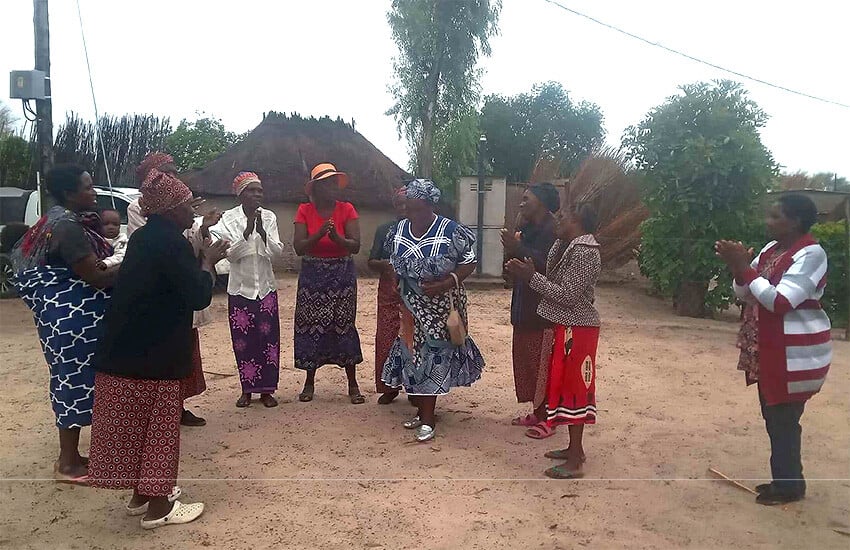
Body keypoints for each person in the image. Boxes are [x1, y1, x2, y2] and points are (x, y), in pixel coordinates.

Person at [88, 169, 228, 529]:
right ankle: (159, 507)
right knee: (159, 429)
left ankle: (141, 494)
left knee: (136, 427)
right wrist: (208, 261)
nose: (191, 213)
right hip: (156, 354)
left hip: (125, 351)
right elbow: (197, 294)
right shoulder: (171, 242)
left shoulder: (143, 238)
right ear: (170, 210)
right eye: (186, 206)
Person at [716, 194, 831, 506]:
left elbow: (780, 302)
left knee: (782, 417)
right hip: (768, 349)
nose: (767, 222)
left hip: (793, 353)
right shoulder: (771, 250)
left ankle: (789, 485)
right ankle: (785, 479)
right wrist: (739, 269)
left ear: (794, 221)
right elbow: (744, 293)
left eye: (775, 216)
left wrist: (746, 270)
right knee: (775, 416)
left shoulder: (811, 254)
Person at [11, 164, 118, 483]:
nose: (93, 191)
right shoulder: (67, 226)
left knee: (69, 379)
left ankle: (72, 457)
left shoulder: (52, 220)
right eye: (87, 187)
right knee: (73, 382)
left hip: (59, 318)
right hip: (72, 320)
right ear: (70, 193)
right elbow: (95, 277)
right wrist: (136, 266)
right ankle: (67, 463)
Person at [381, 179, 485, 442]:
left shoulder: (450, 230)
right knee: (412, 356)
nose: (410, 213)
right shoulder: (399, 230)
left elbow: (469, 262)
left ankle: (428, 418)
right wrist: (396, 282)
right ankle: (422, 410)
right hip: (409, 305)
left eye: (416, 208)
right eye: (407, 208)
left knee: (433, 355)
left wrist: (445, 283)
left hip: (441, 305)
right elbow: (394, 263)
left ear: (429, 205)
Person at [505, 203, 601, 479]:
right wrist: (557, 243)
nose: (557, 221)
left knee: (575, 391)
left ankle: (575, 460)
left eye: (563, 217)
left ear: (578, 221)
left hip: (579, 328)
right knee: (565, 387)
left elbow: (567, 295)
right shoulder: (572, 247)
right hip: (571, 326)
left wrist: (530, 277)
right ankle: (574, 449)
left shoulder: (584, 252)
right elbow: (556, 275)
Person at [129, 151, 219, 426]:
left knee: (182, 349)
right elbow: (155, 244)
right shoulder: (138, 208)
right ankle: (159, 413)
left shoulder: (183, 210)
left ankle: (176, 407)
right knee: (159, 353)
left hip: (182, 284)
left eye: (174, 172)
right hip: (161, 292)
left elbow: (191, 245)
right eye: (166, 172)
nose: (172, 176)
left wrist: (201, 227)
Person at [208, 172, 283, 408]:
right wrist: (247, 231)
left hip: (266, 289)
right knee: (244, 342)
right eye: (252, 190)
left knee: (269, 342)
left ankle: (267, 391)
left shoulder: (268, 217)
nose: (257, 194)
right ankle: (247, 389)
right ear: (240, 193)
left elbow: (277, 252)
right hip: (241, 290)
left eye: (260, 190)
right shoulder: (228, 219)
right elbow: (231, 255)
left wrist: (263, 234)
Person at [293, 163, 365, 404]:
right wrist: (320, 233)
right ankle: (309, 381)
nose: (334, 188)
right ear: (317, 188)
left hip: (342, 274)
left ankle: (353, 384)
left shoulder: (347, 209)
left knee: (344, 324)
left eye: (335, 183)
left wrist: (336, 238)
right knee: (310, 326)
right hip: (312, 275)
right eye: (328, 184)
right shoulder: (304, 210)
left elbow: (355, 245)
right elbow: (299, 247)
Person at [502, 183, 559, 427]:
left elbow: (551, 265)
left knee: (542, 364)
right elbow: (516, 265)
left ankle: (547, 415)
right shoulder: (528, 229)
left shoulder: (553, 231)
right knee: (527, 361)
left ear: (542, 203)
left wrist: (518, 248)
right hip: (524, 307)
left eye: (527, 199)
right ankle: (537, 412)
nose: (522, 203)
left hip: (542, 311)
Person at [368, 187, 408, 404]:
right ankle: (388, 386)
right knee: (386, 336)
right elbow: (371, 260)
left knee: (413, 339)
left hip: (413, 293)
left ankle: (415, 388)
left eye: (406, 203)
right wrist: (384, 265)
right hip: (389, 291)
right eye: (399, 204)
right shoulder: (384, 230)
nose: (403, 208)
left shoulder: (420, 230)